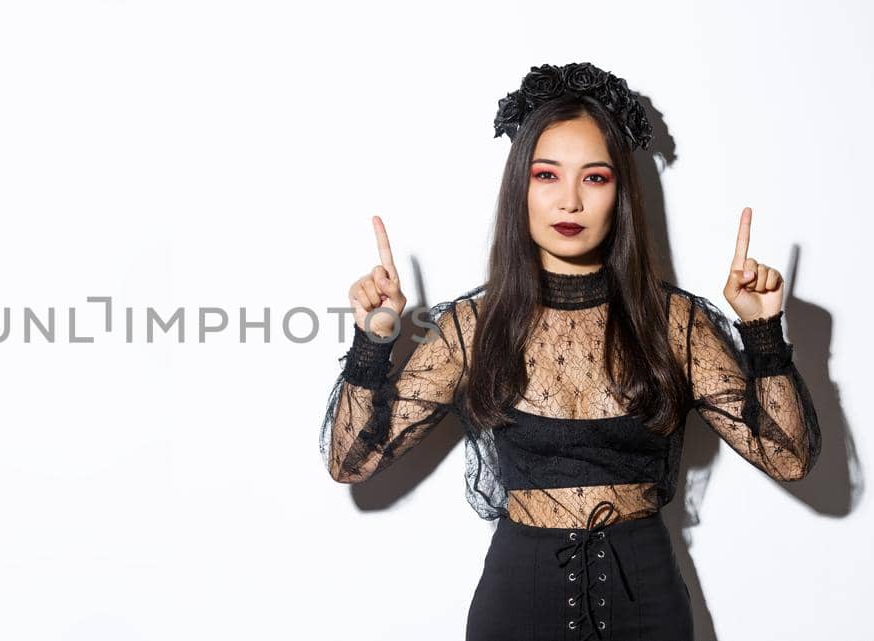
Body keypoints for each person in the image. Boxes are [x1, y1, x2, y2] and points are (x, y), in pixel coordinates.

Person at [317, 62, 822, 641]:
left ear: (620, 194)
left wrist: (763, 334)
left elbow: (789, 458)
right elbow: (351, 462)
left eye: (596, 177)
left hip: (648, 609)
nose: (571, 202)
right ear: (520, 189)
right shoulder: (472, 327)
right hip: (516, 608)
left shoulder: (674, 323)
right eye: (547, 175)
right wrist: (374, 340)